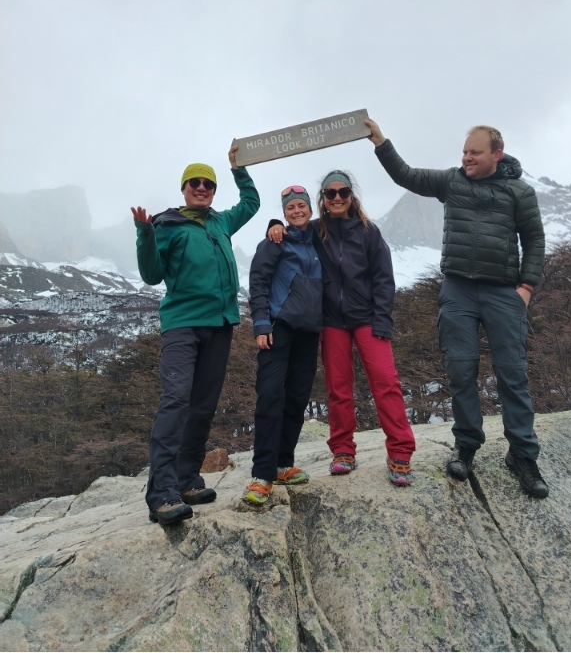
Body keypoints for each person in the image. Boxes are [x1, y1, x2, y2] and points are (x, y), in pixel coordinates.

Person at [363, 118, 549, 498]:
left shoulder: (519, 192)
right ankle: (466, 445)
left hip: (503, 293)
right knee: (461, 370)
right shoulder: (452, 181)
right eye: (464, 151)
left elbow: (534, 239)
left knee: (512, 374)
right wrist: (381, 142)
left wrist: (526, 288)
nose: (466, 158)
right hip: (457, 290)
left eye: (474, 153)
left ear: (496, 154)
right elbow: (406, 175)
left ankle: (523, 455)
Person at [132, 142, 260, 525]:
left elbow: (251, 203)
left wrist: (239, 170)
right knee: (176, 400)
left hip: (220, 324)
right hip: (183, 324)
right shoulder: (167, 224)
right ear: (184, 188)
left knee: (203, 405)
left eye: (208, 184)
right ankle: (161, 493)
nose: (202, 188)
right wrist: (144, 235)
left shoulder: (221, 222)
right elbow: (152, 274)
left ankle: (187, 480)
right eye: (194, 183)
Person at [269, 171, 416, 485]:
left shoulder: (368, 232)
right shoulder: (314, 230)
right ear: (322, 199)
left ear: (352, 196)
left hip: (367, 319)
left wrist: (383, 320)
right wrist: (274, 225)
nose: (337, 198)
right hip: (332, 321)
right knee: (338, 388)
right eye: (330, 193)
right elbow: (291, 228)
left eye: (343, 192)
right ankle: (343, 451)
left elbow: (384, 280)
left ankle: (400, 451)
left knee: (386, 383)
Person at [243, 186, 324, 507]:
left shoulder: (320, 240)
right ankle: (262, 475)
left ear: (310, 210)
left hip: (309, 332)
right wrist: (261, 324)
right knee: (271, 397)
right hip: (278, 329)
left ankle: (282, 465)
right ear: (285, 212)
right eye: (290, 208)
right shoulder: (274, 242)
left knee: (297, 399)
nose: (297, 211)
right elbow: (258, 283)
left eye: (302, 206)